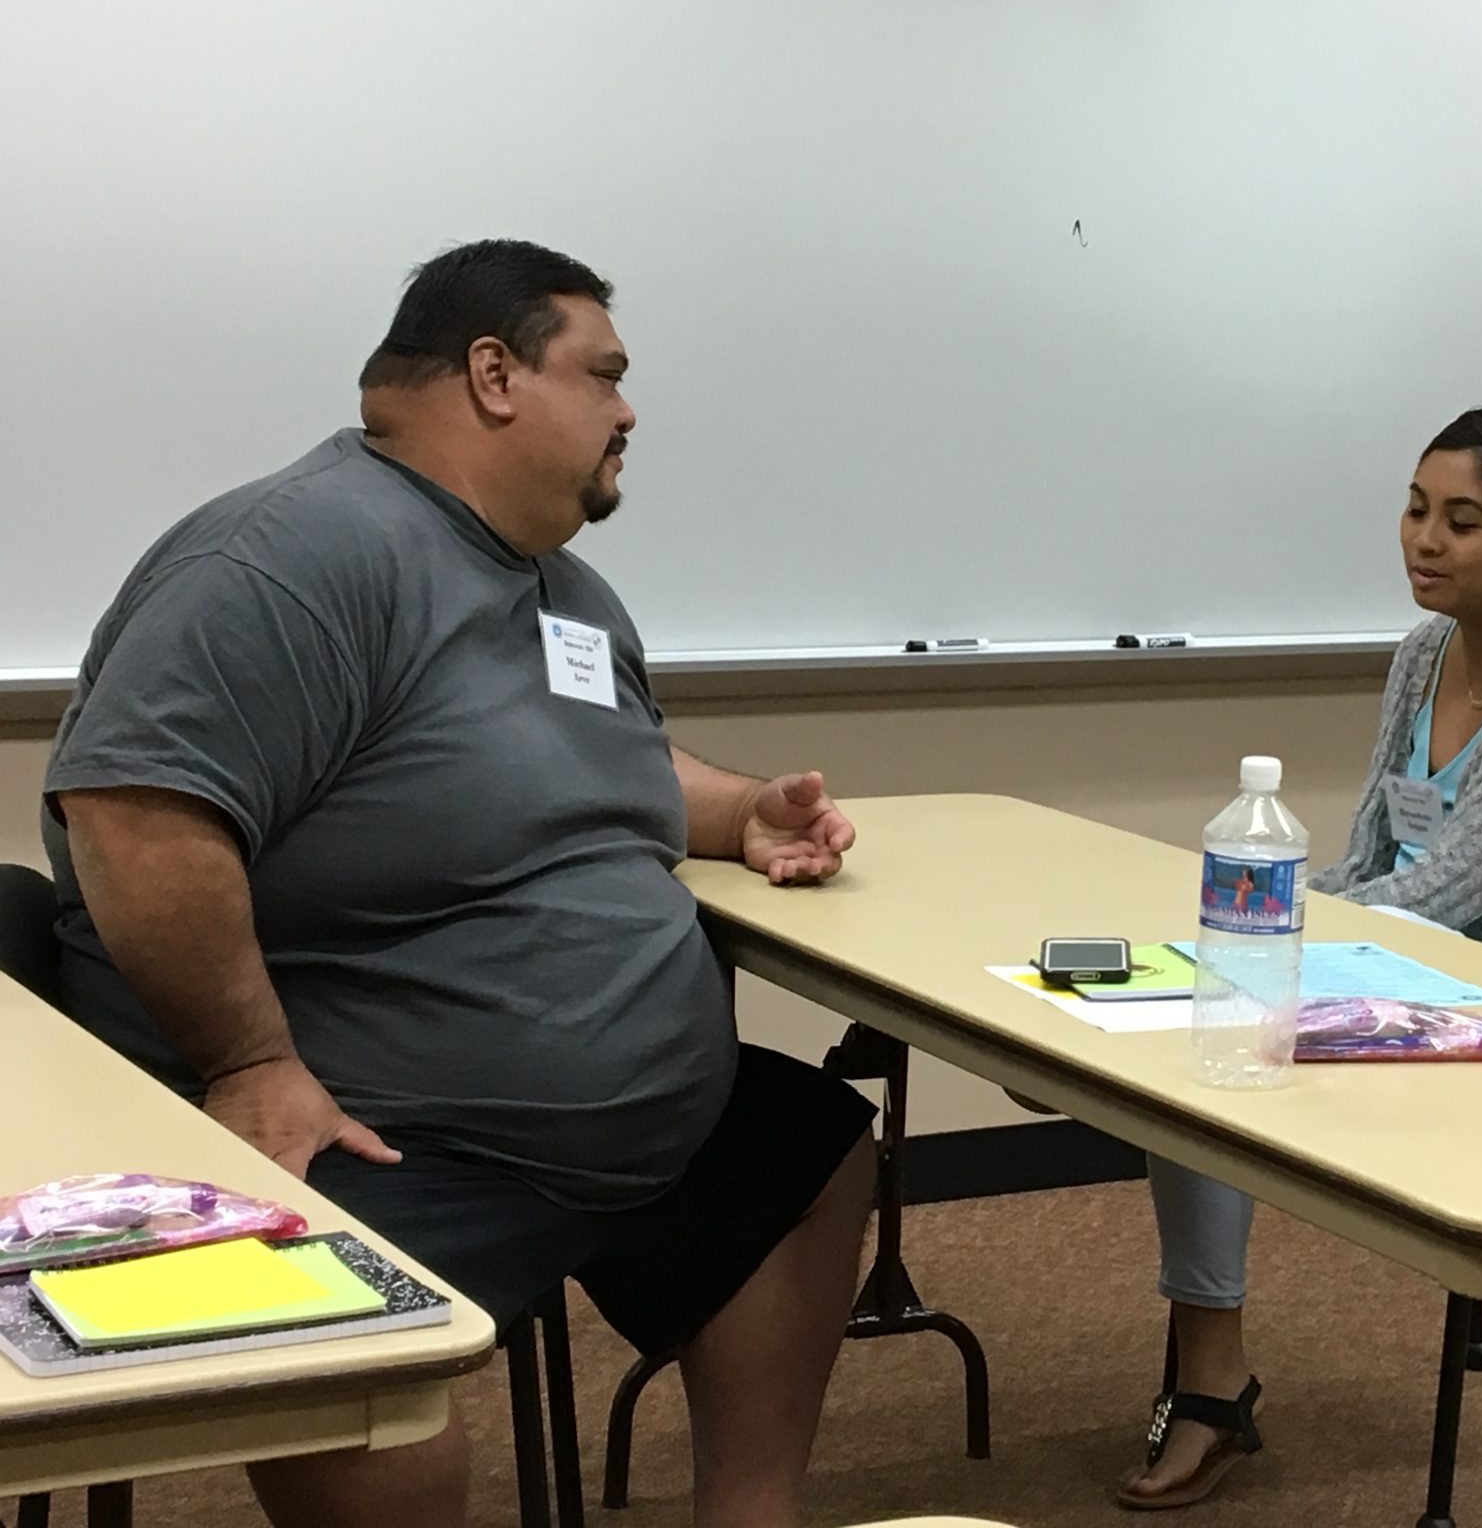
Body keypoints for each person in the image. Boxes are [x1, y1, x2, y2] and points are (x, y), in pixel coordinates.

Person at [41, 239, 879, 1528]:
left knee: (805, 1155)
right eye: (602, 374)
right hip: (396, 1129)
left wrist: (738, 814)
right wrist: (253, 1061)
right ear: (494, 372)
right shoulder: (298, 554)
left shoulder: (557, 587)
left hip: (617, 1132)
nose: (627, 409)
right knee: (362, 1339)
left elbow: (606, 756)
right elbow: (135, 808)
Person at [1118, 407, 1482, 1510]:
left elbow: (1436, 895)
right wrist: (1203, 948)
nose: (1422, 541)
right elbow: (1373, 863)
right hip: (1446, 952)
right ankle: (1211, 1375)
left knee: (1232, 1017)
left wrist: (1244, 957)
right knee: (1206, 1038)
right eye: (1414, 509)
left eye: (1462, 521)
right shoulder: (1428, 646)